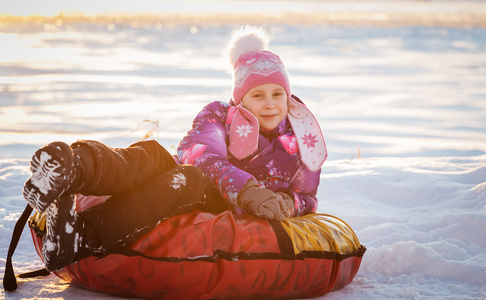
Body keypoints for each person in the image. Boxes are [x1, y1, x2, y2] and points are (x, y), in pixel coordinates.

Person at [22, 26, 327, 272]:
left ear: (287, 95)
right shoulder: (220, 115)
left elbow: (307, 196)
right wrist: (246, 188)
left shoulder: (301, 137)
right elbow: (199, 155)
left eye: (277, 93)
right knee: (154, 154)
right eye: (258, 95)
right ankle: (71, 170)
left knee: (187, 180)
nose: (270, 103)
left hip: (216, 201)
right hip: (217, 181)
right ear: (240, 98)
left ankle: (81, 238)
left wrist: (287, 202)